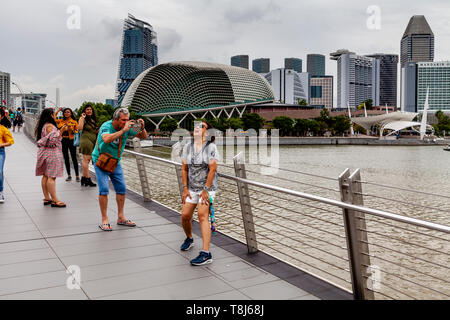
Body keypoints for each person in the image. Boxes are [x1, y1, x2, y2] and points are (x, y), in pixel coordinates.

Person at [91, 107, 148, 231]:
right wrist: (123, 130)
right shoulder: (106, 126)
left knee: (121, 188)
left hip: (115, 162)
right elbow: (106, 139)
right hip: (100, 160)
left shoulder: (126, 127)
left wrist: (142, 127)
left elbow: (143, 136)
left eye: (127, 120)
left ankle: (121, 217)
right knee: (104, 189)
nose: (126, 122)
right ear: (115, 119)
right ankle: (104, 219)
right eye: (123, 120)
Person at [180, 120, 219, 266]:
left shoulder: (211, 147)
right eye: (196, 125)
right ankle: (189, 238)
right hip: (191, 188)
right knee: (185, 216)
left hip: (207, 188)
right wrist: (184, 188)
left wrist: (206, 190)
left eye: (201, 126)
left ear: (207, 133)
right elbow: (184, 169)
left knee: (202, 216)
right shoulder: (188, 147)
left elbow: (213, 169)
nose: (197, 127)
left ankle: (206, 253)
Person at [35, 108, 66, 207]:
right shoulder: (50, 126)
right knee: (51, 177)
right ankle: (55, 200)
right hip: (52, 153)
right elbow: (53, 140)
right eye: (54, 114)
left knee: (45, 176)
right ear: (51, 115)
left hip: (44, 152)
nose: (55, 116)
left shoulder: (43, 125)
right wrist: (61, 131)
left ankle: (47, 198)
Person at [55, 107, 80, 182]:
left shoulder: (74, 122)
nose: (66, 113)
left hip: (71, 140)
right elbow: (54, 118)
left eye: (68, 112)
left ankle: (77, 175)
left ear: (71, 113)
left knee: (74, 158)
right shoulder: (61, 121)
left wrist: (71, 130)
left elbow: (77, 131)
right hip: (63, 140)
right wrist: (58, 111)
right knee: (66, 158)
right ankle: (69, 175)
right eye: (65, 112)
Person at [77, 104, 98, 187]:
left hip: (92, 142)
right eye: (87, 109)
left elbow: (95, 131)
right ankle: (88, 179)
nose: (89, 111)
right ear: (84, 111)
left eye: (90, 109)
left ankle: (84, 178)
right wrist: (82, 117)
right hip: (86, 141)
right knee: (86, 160)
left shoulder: (92, 120)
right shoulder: (83, 118)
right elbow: (80, 128)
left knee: (87, 161)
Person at [0, 110, 14, 203]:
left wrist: (1, 144)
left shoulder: (3, 129)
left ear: (1, 117)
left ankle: (0, 192)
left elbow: (10, 142)